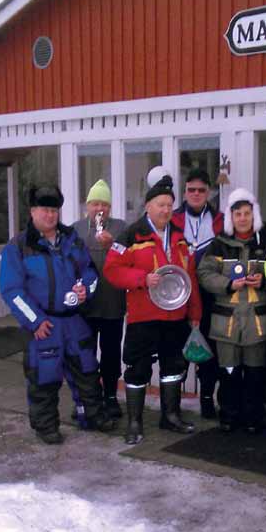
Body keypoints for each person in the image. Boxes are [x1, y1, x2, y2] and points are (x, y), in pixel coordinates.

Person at [0, 186, 117, 445]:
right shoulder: (18, 247)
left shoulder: (71, 239)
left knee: (87, 371)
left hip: (74, 321)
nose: (51, 215)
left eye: (54, 210)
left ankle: (92, 416)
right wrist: (36, 321)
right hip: (44, 325)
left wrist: (85, 289)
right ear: (33, 212)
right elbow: (12, 291)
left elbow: (90, 273)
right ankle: (46, 426)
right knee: (44, 377)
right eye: (45, 210)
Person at [104, 166, 202, 445]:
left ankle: (170, 416)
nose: (165, 210)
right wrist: (141, 279)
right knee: (137, 369)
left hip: (175, 316)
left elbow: (189, 276)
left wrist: (195, 313)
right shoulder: (130, 235)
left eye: (170, 205)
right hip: (143, 317)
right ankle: (135, 421)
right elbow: (112, 270)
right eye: (160, 205)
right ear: (148, 206)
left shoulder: (180, 236)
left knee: (174, 366)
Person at [197, 188, 266, 433]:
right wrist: (228, 284)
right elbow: (204, 274)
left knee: (255, 373)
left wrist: (263, 282)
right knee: (229, 371)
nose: (242, 218)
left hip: (257, 321)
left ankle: (253, 418)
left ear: (255, 215)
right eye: (238, 214)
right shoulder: (219, 245)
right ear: (230, 217)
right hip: (227, 322)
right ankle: (229, 416)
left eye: (247, 213)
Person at [171, 168, 224, 419]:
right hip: (179, 293)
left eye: (201, 190)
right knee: (178, 349)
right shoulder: (172, 218)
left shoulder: (221, 220)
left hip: (210, 294)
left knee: (209, 350)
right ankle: (173, 405)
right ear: (184, 192)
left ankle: (206, 400)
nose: (195, 194)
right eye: (191, 189)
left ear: (209, 193)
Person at [73, 179, 127, 419]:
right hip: (85, 307)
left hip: (113, 305)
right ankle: (87, 397)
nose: (99, 209)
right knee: (85, 354)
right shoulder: (75, 230)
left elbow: (129, 257)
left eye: (104, 204)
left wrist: (112, 244)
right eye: (95, 203)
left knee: (111, 353)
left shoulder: (121, 228)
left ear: (110, 207)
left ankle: (111, 397)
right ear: (87, 206)